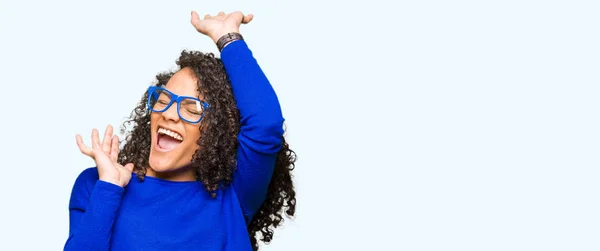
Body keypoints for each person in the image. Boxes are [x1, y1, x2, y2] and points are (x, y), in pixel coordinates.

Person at [64, 10, 296, 251]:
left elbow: (265, 125)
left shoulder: (233, 194)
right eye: (164, 99)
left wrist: (227, 38)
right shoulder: (97, 185)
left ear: (219, 131)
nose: (169, 114)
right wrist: (109, 188)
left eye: (192, 108)